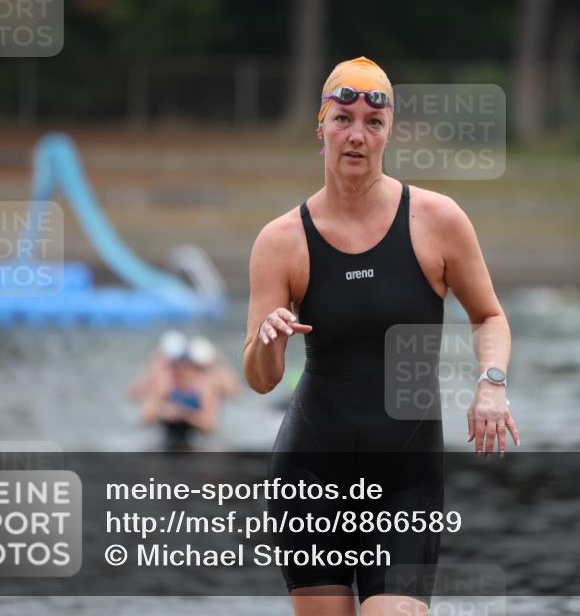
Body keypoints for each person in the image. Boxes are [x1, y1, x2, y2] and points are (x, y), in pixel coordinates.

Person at [242, 56, 518, 616]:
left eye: (372, 123)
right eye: (343, 119)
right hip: (311, 473)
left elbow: (488, 316)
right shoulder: (281, 240)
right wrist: (269, 340)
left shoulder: (436, 220)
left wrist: (491, 383)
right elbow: (261, 380)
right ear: (321, 127)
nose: (356, 136)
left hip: (406, 476)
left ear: (389, 132)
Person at [141, 336, 221, 450]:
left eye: (183, 367)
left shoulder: (204, 387)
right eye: (174, 366)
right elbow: (145, 418)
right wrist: (162, 411)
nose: (178, 371)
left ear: (191, 367)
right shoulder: (164, 385)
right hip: (168, 442)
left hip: (196, 442)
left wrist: (184, 415)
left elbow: (209, 426)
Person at [130, 330, 240, 402]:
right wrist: (153, 362)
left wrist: (218, 362)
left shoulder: (209, 380)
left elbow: (235, 393)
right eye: (175, 365)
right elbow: (134, 393)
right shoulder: (164, 376)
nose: (181, 369)